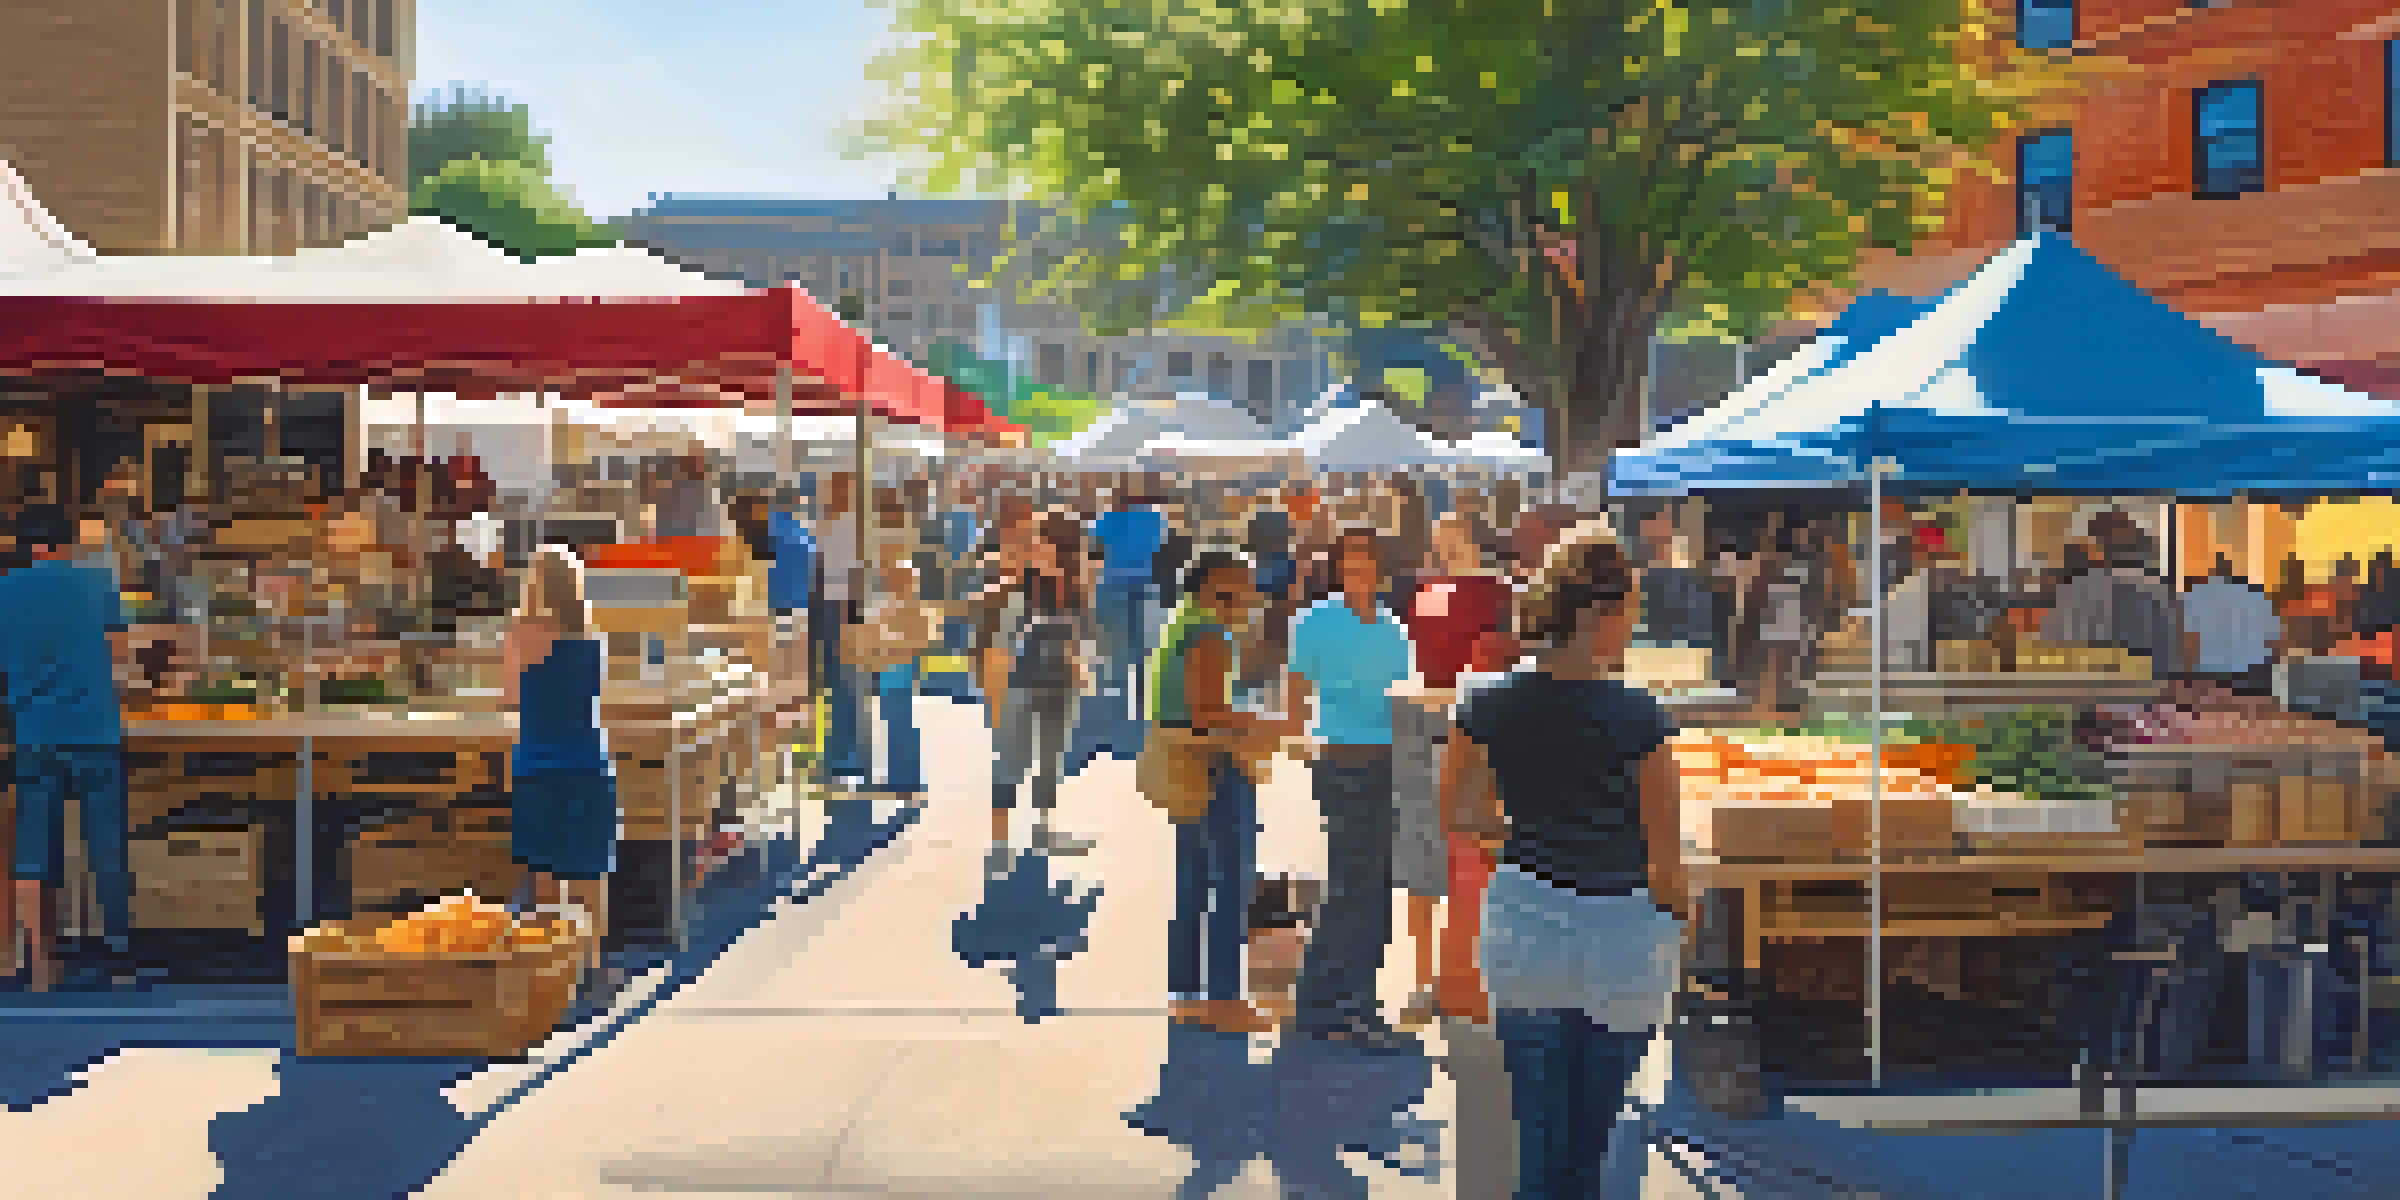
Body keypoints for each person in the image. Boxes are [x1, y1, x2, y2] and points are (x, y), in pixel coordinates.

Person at [1444, 520, 1687, 1200]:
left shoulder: (1485, 702)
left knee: (1539, 1143)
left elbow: (1461, 816)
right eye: (1633, 609)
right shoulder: (1641, 715)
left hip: (1528, 919)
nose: (1635, 626)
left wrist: (1519, 826)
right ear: (1603, 614)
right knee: (1589, 1148)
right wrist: (1679, 920)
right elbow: (1666, 865)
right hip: (1623, 934)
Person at [1285, 527, 1419, 1048]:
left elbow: (1404, 694)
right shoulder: (1315, 622)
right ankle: (1340, 1008)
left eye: (1367, 564)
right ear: (1338, 570)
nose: (1359, 573)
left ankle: (1334, 1003)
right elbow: (1297, 688)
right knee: (1353, 885)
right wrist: (1300, 741)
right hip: (1340, 759)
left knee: (1375, 886)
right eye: (1350, 564)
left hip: (1389, 759)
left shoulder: (1392, 627)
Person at [1155, 551, 1295, 1033]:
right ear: (1218, 587)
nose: (1254, 597)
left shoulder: (1181, 622)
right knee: (1230, 880)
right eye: (1245, 586)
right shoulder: (1210, 633)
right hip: (1215, 764)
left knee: (1192, 879)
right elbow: (1208, 711)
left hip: (1183, 763)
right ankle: (1224, 1000)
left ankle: (1187, 992)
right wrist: (1270, 723)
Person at [0, 503, 133, 992]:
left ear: (27, 545)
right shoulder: (95, 583)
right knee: (107, 846)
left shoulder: (4, 589)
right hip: (94, 731)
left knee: (35, 852)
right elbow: (119, 653)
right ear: (67, 542)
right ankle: (119, 959)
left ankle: (40, 968)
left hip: (35, 733)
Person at [1394, 511, 1519, 1027]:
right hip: (1422, 725)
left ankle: (1478, 976)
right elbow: (1417, 657)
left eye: (1452, 535)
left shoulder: (1502, 592)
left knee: (1478, 861)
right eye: (1439, 536)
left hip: (1482, 733)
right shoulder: (1426, 589)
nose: (1443, 544)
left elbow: (1511, 658)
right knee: (1422, 862)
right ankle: (1424, 978)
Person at [504, 548, 615, 971]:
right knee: (590, 873)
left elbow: (510, 695)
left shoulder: (523, 634)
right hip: (588, 764)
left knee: (545, 876)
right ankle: (591, 964)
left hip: (538, 767)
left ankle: (551, 969)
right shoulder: (591, 639)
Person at [978, 511, 1097, 872]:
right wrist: (994, 695)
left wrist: (1081, 664)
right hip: (1020, 683)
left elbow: (1081, 633)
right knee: (1011, 763)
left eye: (1041, 540)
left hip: (1061, 683)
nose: (1033, 546)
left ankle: (1043, 831)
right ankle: (999, 843)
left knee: (1051, 760)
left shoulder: (1075, 586)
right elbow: (997, 641)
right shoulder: (1018, 584)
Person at [1078, 485, 1169, 772]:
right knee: (1144, 657)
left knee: (1113, 660)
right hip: (1145, 590)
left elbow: (1093, 549)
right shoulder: (1156, 518)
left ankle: (1114, 723)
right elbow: (1161, 549)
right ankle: (1141, 723)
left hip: (1112, 589)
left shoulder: (1107, 519)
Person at [2179, 554, 2279, 694]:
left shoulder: (2197, 595)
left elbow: (2186, 637)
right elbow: (2274, 636)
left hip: (2209, 674)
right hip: (2254, 674)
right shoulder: (2257, 595)